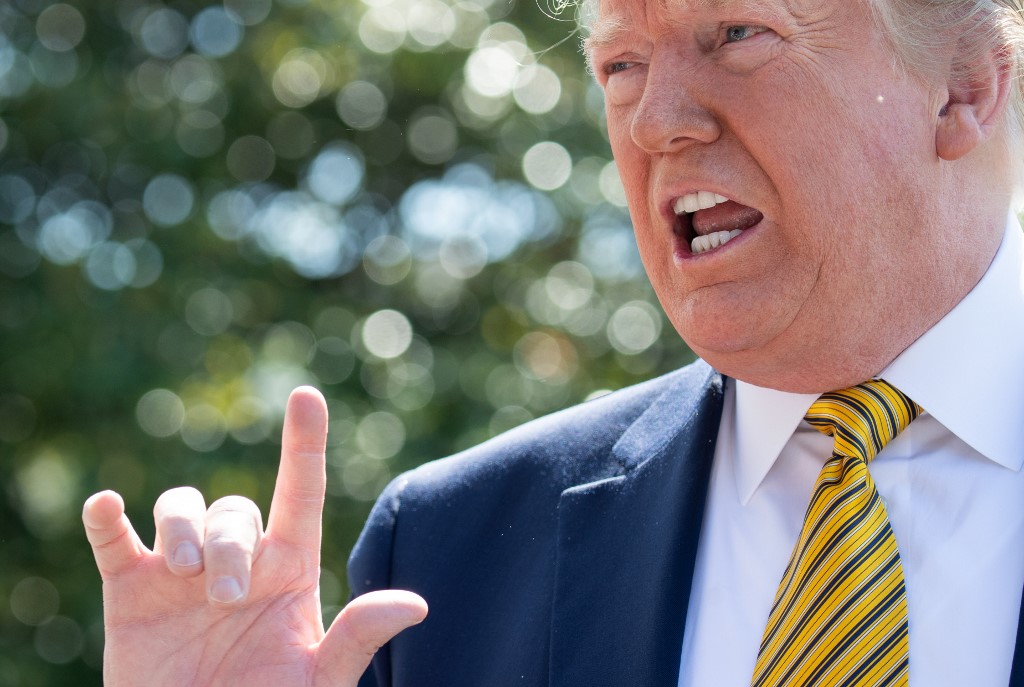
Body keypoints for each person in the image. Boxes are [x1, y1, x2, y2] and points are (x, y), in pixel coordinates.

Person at [83, 0, 1024, 684]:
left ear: (966, 83)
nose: (656, 121)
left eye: (738, 33)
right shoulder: (446, 554)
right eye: (622, 65)